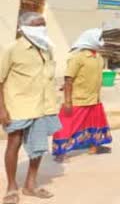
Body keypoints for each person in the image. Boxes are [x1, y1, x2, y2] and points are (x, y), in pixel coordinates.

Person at [0, 12, 61, 203]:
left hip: (43, 106)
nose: (42, 28)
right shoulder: (12, 49)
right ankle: (11, 186)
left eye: (43, 25)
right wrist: (2, 109)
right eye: (37, 25)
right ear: (24, 28)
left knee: (39, 147)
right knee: (14, 143)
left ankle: (30, 185)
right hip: (18, 105)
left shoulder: (47, 48)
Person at [52, 28, 112, 162]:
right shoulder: (77, 57)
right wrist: (67, 101)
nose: (101, 41)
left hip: (94, 99)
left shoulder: (99, 57)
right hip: (78, 99)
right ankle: (60, 152)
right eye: (99, 38)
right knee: (66, 125)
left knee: (94, 124)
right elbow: (68, 78)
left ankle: (94, 147)